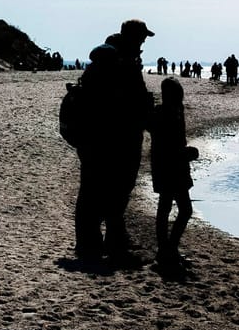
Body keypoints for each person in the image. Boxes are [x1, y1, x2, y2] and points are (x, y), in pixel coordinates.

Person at [73, 20, 156, 264]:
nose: (143, 42)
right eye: (142, 37)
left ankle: (96, 242)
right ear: (132, 37)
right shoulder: (120, 62)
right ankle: (106, 244)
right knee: (113, 189)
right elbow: (124, 102)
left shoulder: (110, 60)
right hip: (115, 138)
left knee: (96, 188)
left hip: (97, 138)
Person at [150, 77, 199, 272]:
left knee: (173, 209)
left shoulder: (177, 111)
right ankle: (167, 250)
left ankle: (169, 249)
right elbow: (164, 144)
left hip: (175, 167)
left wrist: (186, 153)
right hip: (169, 167)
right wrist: (186, 153)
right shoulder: (161, 113)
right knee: (177, 209)